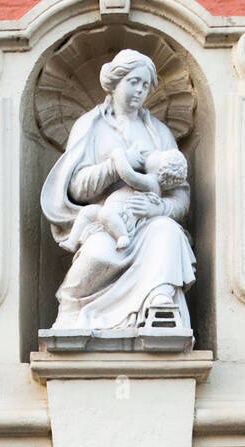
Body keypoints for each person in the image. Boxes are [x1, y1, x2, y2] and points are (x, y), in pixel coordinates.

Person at [41, 49, 196, 336]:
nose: (140, 90)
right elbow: (76, 187)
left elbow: (180, 194)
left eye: (146, 85)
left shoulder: (158, 133)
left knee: (167, 231)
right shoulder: (90, 127)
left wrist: (159, 210)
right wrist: (115, 167)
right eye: (133, 81)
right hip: (106, 220)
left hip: (148, 222)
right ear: (115, 81)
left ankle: (158, 302)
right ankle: (72, 307)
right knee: (98, 254)